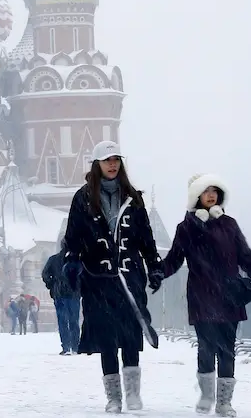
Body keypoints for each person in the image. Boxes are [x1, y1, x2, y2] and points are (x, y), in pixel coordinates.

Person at [159, 174, 251, 417]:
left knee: (227, 349)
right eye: (206, 191)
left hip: (229, 295)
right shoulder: (186, 228)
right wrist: (157, 273)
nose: (211, 195)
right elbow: (174, 260)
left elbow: (246, 256)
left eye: (214, 191)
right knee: (206, 347)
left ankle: (224, 403)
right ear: (196, 196)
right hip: (201, 296)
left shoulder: (229, 224)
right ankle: (207, 394)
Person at [62, 140, 163, 413]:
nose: (112, 164)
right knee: (107, 337)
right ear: (97, 164)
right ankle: (114, 397)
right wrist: (71, 262)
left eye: (116, 159)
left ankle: (133, 394)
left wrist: (153, 265)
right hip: (98, 278)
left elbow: (145, 236)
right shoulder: (82, 198)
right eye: (107, 160)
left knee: (130, 334)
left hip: (130, 277)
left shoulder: (133, 197)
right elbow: (73, 236)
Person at [43, 236, 82, 355]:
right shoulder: (77, 261)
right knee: (73, 321)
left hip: (61, 293)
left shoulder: (54, 259)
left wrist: (52, 285)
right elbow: (82, 276)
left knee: (63, 321)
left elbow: (45, 274)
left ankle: (67, 346)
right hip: (71, 293)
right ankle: (74, 346)